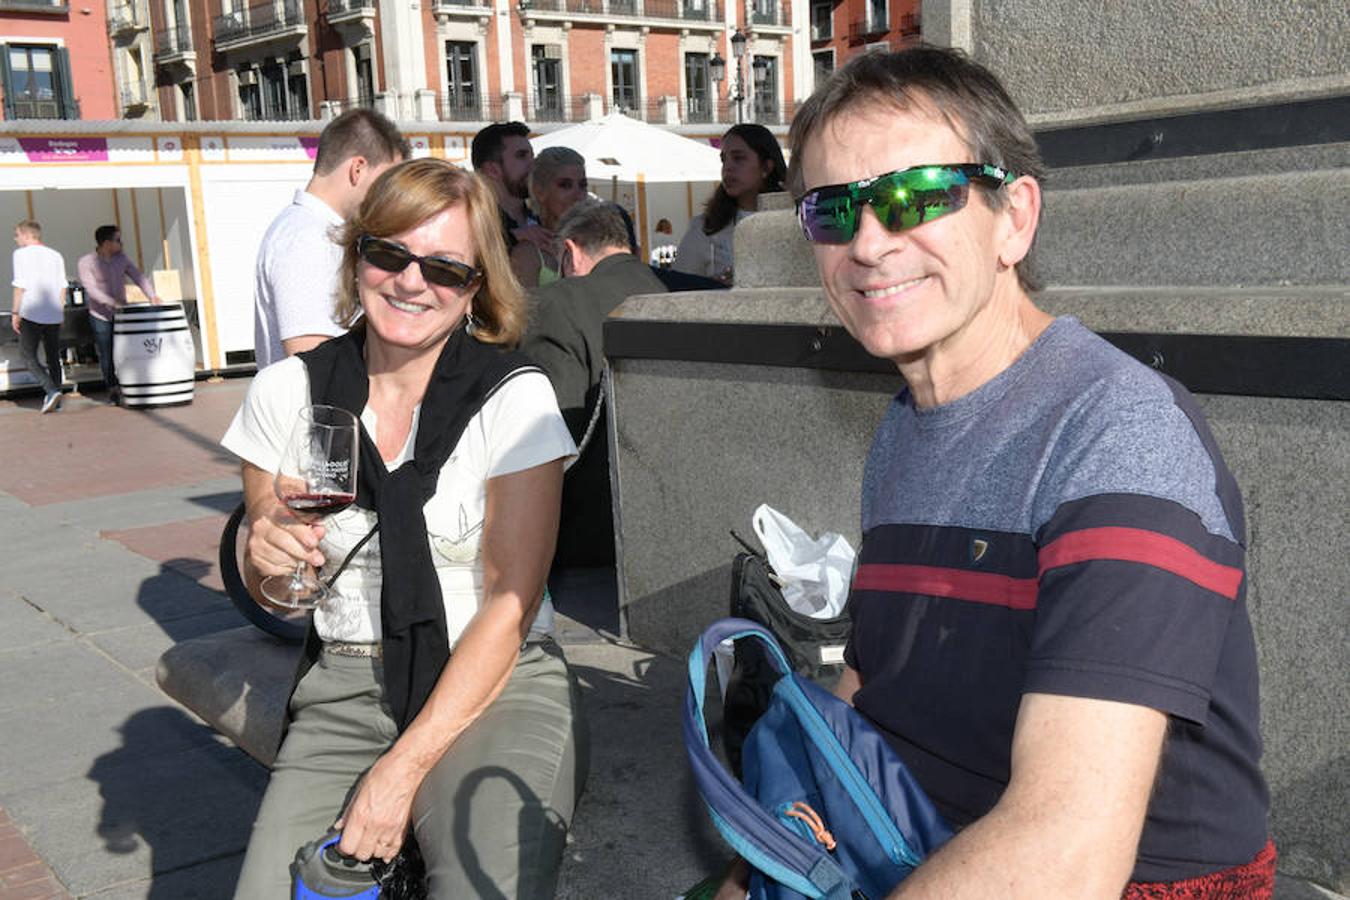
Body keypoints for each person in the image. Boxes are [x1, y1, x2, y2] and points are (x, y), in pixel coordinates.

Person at [720, 46, 1273, 898]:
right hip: (916, 835)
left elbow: (1069, 847)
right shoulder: (905, 427)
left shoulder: (1117, 435)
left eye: (914, 198)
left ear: (1014, 216)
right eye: (834, 213)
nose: (869, 243)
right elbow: (871, 683)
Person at [223, 158, 585, 898]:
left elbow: (509, 607)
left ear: (477, 286)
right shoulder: (288, 393)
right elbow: (272, 586)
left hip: (493, 681)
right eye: (389, 253)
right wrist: (263, 541)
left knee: (483, 885)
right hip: (346, 685)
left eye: (446, 269)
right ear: (359, 257)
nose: (412, 282)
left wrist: (399, 773)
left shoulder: (514, 400)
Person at [521, 200, 667, 568]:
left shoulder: (558, 302)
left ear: (570, 250)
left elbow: (555, 432)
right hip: (659, 530)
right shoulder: (669, 293)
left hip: (582, 540)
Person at [253, 108, 408, 369]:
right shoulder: (309, 238)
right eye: (385, 182)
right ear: (357, 168)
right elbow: (312, 359)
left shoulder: (304, 229)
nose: (387, 197)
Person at [673, 123, 786, 284]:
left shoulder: (797, 220)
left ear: (766, 167)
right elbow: (680, 287)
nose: (728, 168)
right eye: (724, 160)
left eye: (738, 158)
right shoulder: (706, 228)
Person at [77, 225, 160, 405]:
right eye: (118, 240)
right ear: (107, 243)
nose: (121, 243)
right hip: (100, 315)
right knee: (106, 353)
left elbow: (138, 276)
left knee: (125, 350)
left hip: (122, 315)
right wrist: (111, 302)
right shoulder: (86, 262)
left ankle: (130, 383)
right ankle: (112, 388)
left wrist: (152, 295)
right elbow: (90, 290)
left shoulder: (121, 258)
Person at [510, 145, 589, 289]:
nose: (578, 195)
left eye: (583, 185)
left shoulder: (597, 246)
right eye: (565, 185)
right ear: (539, 191)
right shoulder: (527, 254)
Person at [10, 220, 68, 413]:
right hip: (52, 312)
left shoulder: (20, 255)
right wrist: (60, 311)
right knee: (53, 356)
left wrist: (15, 312)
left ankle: (50, 390)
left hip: (31, 311)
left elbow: (20, 285)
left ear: (27, 235)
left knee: (27, 355)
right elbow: (62, 286)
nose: (16, 239)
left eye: (17, 235)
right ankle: (56, 397)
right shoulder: (55, 255)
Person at [471, 121, 551, 254]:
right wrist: (513, 238)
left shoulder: (540, 218)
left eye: (532, 156)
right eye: (521, 156)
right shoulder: (474, 220)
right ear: (492, 170)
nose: (533, 164)